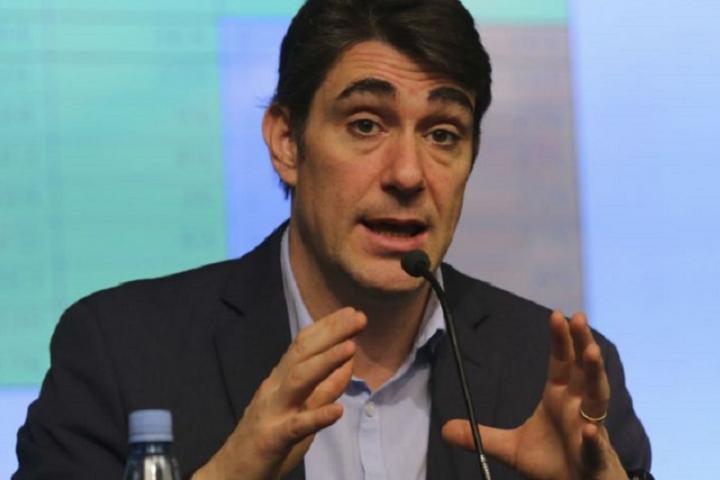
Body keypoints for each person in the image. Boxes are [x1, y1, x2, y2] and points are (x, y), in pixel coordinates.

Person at [15, 0, 652, 479]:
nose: (408, 175)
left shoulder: (553, 374)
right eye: (366, 124)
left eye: (442, 134)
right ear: (286, 143)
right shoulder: (122, 353)